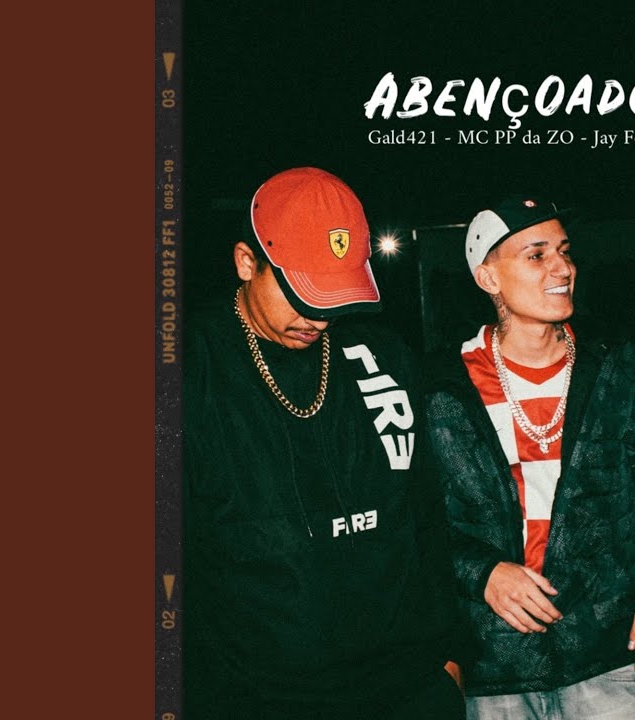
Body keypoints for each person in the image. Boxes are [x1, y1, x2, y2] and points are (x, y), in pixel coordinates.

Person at [182, 167, 463, 719]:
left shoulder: (384, 356)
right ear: (246, 262)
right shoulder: (188, 371)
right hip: (259, 700)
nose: (319, 316)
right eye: (301, 291)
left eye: (334, 293)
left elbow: (425, 514)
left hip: (408, 688)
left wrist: (449, 654)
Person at [425, 195, 635, 719]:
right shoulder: (441, 385)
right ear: (488, 278)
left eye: (564, 251)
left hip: (605, 649)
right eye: (537, 254)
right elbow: (416, 514)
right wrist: (482, 572)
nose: (563, 268)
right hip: (495, 660)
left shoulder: (614, 364)